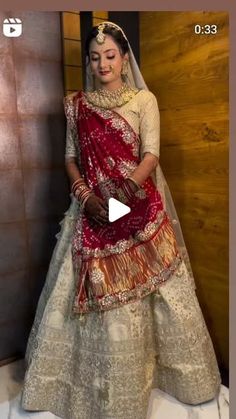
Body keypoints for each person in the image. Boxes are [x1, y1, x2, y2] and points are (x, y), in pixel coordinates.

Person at [21, 21, 221, 419]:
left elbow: (150, 155)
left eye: (110, 55)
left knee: (160, 297)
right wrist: (87, 197)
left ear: (124, 58)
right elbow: (70, 158)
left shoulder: (144, 101)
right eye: (95, 58)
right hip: (90, 209)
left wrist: (121, 197)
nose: (102, 63)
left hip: (137, 210)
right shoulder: (77, 105)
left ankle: (167, 376)